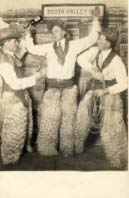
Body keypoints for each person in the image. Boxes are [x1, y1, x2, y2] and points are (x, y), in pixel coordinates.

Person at [24, 17, 101, 157]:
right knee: (50, 118)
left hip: (69, 89)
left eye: (57, 30)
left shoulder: (74, 45)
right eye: (52, 31)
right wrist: (28, 32)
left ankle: (67, 148)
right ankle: (47, 148)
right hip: (52, 89)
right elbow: (31, 48)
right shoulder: (48, 47)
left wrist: (95, 20)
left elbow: (92, 38)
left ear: (64, 32)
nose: (54, 33)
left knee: (68, 119)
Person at [75, 28, 128, 168]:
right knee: (82, 119)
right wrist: (92, 70)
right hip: (92, 90)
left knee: (111, 127)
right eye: (99, 39)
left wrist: (105, 91)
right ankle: (77, 148)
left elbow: (125, 83)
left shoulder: (116, 60)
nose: (98, 41)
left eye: (101, 40)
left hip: (109, 94)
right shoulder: (94, 51)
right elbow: (80, 58)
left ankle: (116, 157)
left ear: (109, 43)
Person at [0, 23, 45, 164]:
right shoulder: (4, 61)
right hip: (12, 97)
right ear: (6, 43)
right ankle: (10, 157)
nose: (17, 42)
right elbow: (14, 83)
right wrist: (36, 77)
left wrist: (27, 35)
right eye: (14, 41)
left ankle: (23, 148)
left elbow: (23, 50)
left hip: (20, 95)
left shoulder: (11, 56)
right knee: (14, 127)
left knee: (23, 123)